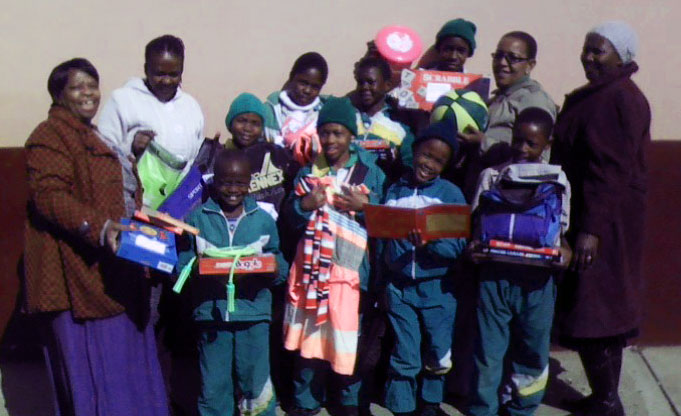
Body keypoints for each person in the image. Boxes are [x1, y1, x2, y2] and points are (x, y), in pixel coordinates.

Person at [24, 58, 168, 415]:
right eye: (76, 87)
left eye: (92, 85)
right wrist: (100, 227)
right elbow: (49, 195)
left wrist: (132, 154)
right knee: (96, 368)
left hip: (116, 266)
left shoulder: (92, 132)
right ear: (59, 95)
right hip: (79, 274)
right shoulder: (50, 135)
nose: (88, 93)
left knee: (126, 362)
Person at [550, 21, 650, 416]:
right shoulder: (603, 94)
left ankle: (608, 403)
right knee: (597, 309)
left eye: (599, 51)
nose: (588, 57)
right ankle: (605, 397)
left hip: (604, 226)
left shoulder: (619, 100)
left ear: (622, 57)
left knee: (595, 311)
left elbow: (609, 171)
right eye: (587, 49)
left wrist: (591, 230)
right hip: (595, 219)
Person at [282, 97, 386, 416]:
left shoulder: (369, 173)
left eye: (338, 133)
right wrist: (304, 206)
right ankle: (305, 401)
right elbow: (288, 218)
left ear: (351, 136)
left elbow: (385, 221)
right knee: (310, 343)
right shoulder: (306, 174)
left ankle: (349, 402)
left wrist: (364, 209)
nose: (330, 140)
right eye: (325, 133)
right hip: (312, 273)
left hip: (353, 277)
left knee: (348, 341)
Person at [467, 108, 572, 416]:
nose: (523, 150)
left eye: (532, 144)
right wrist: (473, 249)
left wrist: (565, 252)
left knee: (533, 351)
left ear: (547, 144)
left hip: (538, 282)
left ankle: (522, 409)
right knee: (488, 351)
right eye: (518, 141)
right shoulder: (491, 177)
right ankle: (482, 410)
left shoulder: (559, 180)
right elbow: (476, 227)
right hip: (494, 278)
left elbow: (560, 231)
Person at [177, 149, 288, 416]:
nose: (232, 190)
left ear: (250, 183)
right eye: (226, 182)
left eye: (240, 183)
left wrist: (272, 269)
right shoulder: (198, 219)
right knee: (214, 384)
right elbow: (183, 263)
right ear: (215, 182)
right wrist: (196, 268)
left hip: (254, 314)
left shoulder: (263, 220)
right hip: (212, 315)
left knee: (256, 382)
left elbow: (278, 262)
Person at [379, 121, 467, 416]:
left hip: (438, 290)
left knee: (438, 353)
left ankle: (430, 404)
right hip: (400, 288)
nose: (429, 164)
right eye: (425, 155)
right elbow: (382, 236)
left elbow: (456, 248)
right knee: (404, 354)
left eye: (439, 160)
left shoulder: (450, 195)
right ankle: (401, 407)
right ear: (415, 150)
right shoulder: (395, 189)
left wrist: (429, 242)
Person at [98, 34, 206, 201]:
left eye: (174, 74)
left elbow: (194, 160)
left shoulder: (191, 107)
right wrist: (131, 147)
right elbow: (101, 154)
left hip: (179, 207)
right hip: (132, 203)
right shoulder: (123, 100)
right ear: (146, 68)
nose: (167, 81)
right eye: (160, 74)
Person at [225, 92, 300, 215]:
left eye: (255, 123)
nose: (247, 128)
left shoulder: (277, 155)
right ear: (230, 124)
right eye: (242, 121)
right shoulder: (221, 158)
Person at [350, 56, 415, 180]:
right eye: (360, 82)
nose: (364, 87)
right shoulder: (348, 116)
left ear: (387, 85)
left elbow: (409, 166)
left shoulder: (400, 124)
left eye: (371, 82)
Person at [264, 52, 329, 165]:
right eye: (303, 83)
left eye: (315, 87)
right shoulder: (270, 111)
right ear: (291, 77)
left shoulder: (324, 114)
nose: (307, 90)